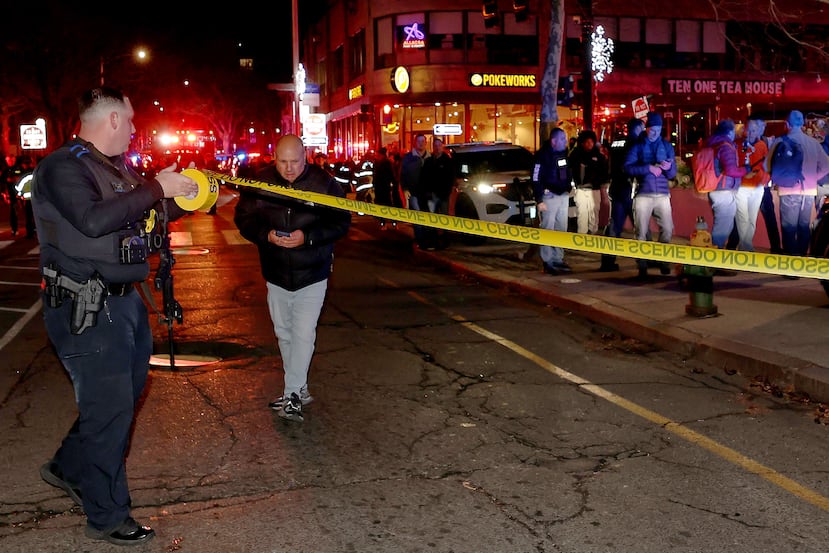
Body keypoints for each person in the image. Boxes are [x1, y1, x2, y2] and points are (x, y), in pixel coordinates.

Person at [30, 87, 199, 546]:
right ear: (110, 120)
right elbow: (91, 219)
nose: (133, 128)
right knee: (110, 412)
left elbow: (141, 214)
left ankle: (67, 466)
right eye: (128, 119)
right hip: (86, 307)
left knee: (117, 402)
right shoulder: (62, 167)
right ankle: (106, 515)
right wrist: (153, 188)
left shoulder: (115, 169)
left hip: (123, 302)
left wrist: (182, 197)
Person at [234, 134, 350, 422]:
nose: (288, 169)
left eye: (294, 162)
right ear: (274, 159)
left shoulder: (324, 183)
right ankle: (299, 388)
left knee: (302, 334)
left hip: (312, 272)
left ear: (306, 156)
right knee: (284, 334)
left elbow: (340, 222)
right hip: (275, 273)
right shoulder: (260, 183)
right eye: (282, 162)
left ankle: (292, 394)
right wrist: (266, 236)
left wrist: (307, 238)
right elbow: (244, 219)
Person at [766, 110, 829, 258]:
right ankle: (802, 258)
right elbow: (826, 165)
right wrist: (813, 177)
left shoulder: (780, 141)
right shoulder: (814, 143)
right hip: (808, 191)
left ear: (787, 124)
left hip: (788, 189)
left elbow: (767, 166)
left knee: (788, 227)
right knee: (803, 226)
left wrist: (779, 178)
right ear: (802, 124)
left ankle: (791, 261)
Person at [624, 111, 677, 279]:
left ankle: (663, 260)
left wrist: (669, 169)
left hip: (662, 193)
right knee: (641, 231)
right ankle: (642, 264)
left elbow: (673, 172)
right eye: (652, 129)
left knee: (667, 229)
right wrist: (648, 168)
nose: (655, 133)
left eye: (658, 130)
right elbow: (627, 167)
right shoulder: (637, 145)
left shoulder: (667, 146)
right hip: (643, 193)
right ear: (646, 129)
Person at [599, 117, 644, 271]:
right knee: (640, 227)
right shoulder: (637, 144)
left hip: (616, 187)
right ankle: (645, 261)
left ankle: (607, 261)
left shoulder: (617, 142)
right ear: (638, 129)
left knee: (614, 226)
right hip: (631, 188)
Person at [532, 127, 574, 275]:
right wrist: (539, 199)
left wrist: (568, 187)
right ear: (554, 141)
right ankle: (548, 261)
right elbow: (536, 177)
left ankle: (558, 259)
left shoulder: (562, 154)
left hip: (562, 195)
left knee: (561, 229)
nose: (565, 141)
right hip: (549, 197)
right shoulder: (542, 156)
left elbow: (566, 172)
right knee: (547, 230)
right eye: (562, 139)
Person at [703, 119, 747, 249]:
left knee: (724, 224)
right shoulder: (725, 146)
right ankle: (714, 261)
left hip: (715, 188)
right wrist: (746, 170)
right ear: (729, 131)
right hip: (724, 189)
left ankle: (717, 257)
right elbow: (731, 170)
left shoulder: (711, 143)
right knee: (722, 226)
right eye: (734, 130)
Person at [731, 116, 771, 251]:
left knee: (752, 219)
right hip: (741, 187)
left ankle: (745, 246)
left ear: (759, 131)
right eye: (749, 130)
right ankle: (747, 246)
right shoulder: (736, 145)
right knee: (743, 218)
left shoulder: (762, 146)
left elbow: (767, 166)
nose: (751, 133)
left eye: (754, 130)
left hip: (757, 187)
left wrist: (764, 180)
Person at [568, 130, 609, 235]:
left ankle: (593, 234)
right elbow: (569, 169)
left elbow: (604, 172)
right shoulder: (575, 155)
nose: (589, 144)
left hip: (594, 190)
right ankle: (582, 235)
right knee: (582, 213)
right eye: (587, 142)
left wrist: (603, 183)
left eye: (591, 142)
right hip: (581, 190)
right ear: (582, 142)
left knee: (594, 213)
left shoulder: (598, 156)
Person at [420, 137, 455, 249]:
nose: (437, 148)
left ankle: (445, 240)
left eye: (439, 145)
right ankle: (434, 240)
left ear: (442, 146)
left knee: (444, 218)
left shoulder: (447, 161)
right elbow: (424, 178)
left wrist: (447, 191)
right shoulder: (429, 161)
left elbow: (451, 178)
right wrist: (427, 192)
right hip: (431, 195)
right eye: (435, 146)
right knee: (433, 219)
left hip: (443, 195)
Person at [399, 134, 430, 247]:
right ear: (414, 143)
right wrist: (405, 189)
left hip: (427, 193)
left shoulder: (430, 158)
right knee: (417, 215)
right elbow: (403, 175)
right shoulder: (408, 158)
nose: (421, 143)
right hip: (414, 192)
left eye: (423, 141)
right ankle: (419, 238)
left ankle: (427, 238)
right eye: (418, 141)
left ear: (426, 143)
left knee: (427, 216)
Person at [372, 146, 398, 230]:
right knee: (382, 206)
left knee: (387, 205)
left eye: (378, 154)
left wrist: (393, 184)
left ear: (382, 155)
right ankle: (385, 223)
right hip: (379, 187)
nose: (377, 155)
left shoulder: (386, 163)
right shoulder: (377, 163)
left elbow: (391, 175)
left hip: (384, 187)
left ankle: (393, 222)